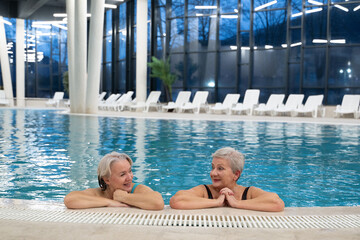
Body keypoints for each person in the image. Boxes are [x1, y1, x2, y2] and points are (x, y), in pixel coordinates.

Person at [170, 147, 284, 212]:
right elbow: (176, 200)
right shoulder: (204, 191)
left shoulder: (249, 193)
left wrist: (237, 203)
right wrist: (216, 202)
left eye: (220, 168)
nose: (213, 173)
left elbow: (276, 203)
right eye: (213, 167)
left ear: (236, 174)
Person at [64, 152, 164, 210]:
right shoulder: (98, 193)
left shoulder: (136, 189)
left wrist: (124, 197)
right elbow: (70, 199)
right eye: (122, 174)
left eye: (130, 171)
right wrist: (109, 202)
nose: (130, 177)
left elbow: (158, 202)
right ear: (107, 179)